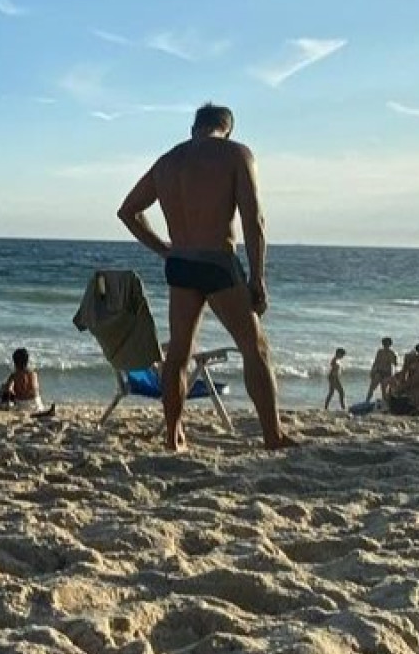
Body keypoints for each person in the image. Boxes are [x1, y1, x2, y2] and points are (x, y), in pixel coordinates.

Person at [116, 102, 294, 451]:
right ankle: (273, 436)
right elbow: (253, 219)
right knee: (255, 348)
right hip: (217, 263)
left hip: (180, 265)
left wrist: (164, 249)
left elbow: (128, 211)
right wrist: (258, 278)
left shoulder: (168, 161)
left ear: (194, 127)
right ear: (227, 128)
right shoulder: (235, 154)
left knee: (179, 354)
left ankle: (173, 436)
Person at [0, 347, 45, 412]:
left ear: (15, 362)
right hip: (36, 403)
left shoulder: (15, 375)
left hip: (22, 405)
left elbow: (7, 389)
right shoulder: (33, 374)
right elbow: (33, 389)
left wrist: (5, 388)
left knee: (2, 392)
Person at [365, 337, 399, 405]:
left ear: (390, 345)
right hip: (379, 372)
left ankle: (385, 403)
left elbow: (395, 364)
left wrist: (393, 359)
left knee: (384, 390)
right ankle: (367, 402)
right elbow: (376, 362)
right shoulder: (380, 352)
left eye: (387, 344)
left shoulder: (392, 353)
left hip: (387, 374)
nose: (385, 346)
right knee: (372, 388)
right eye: (384, 344)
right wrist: (372, 371)